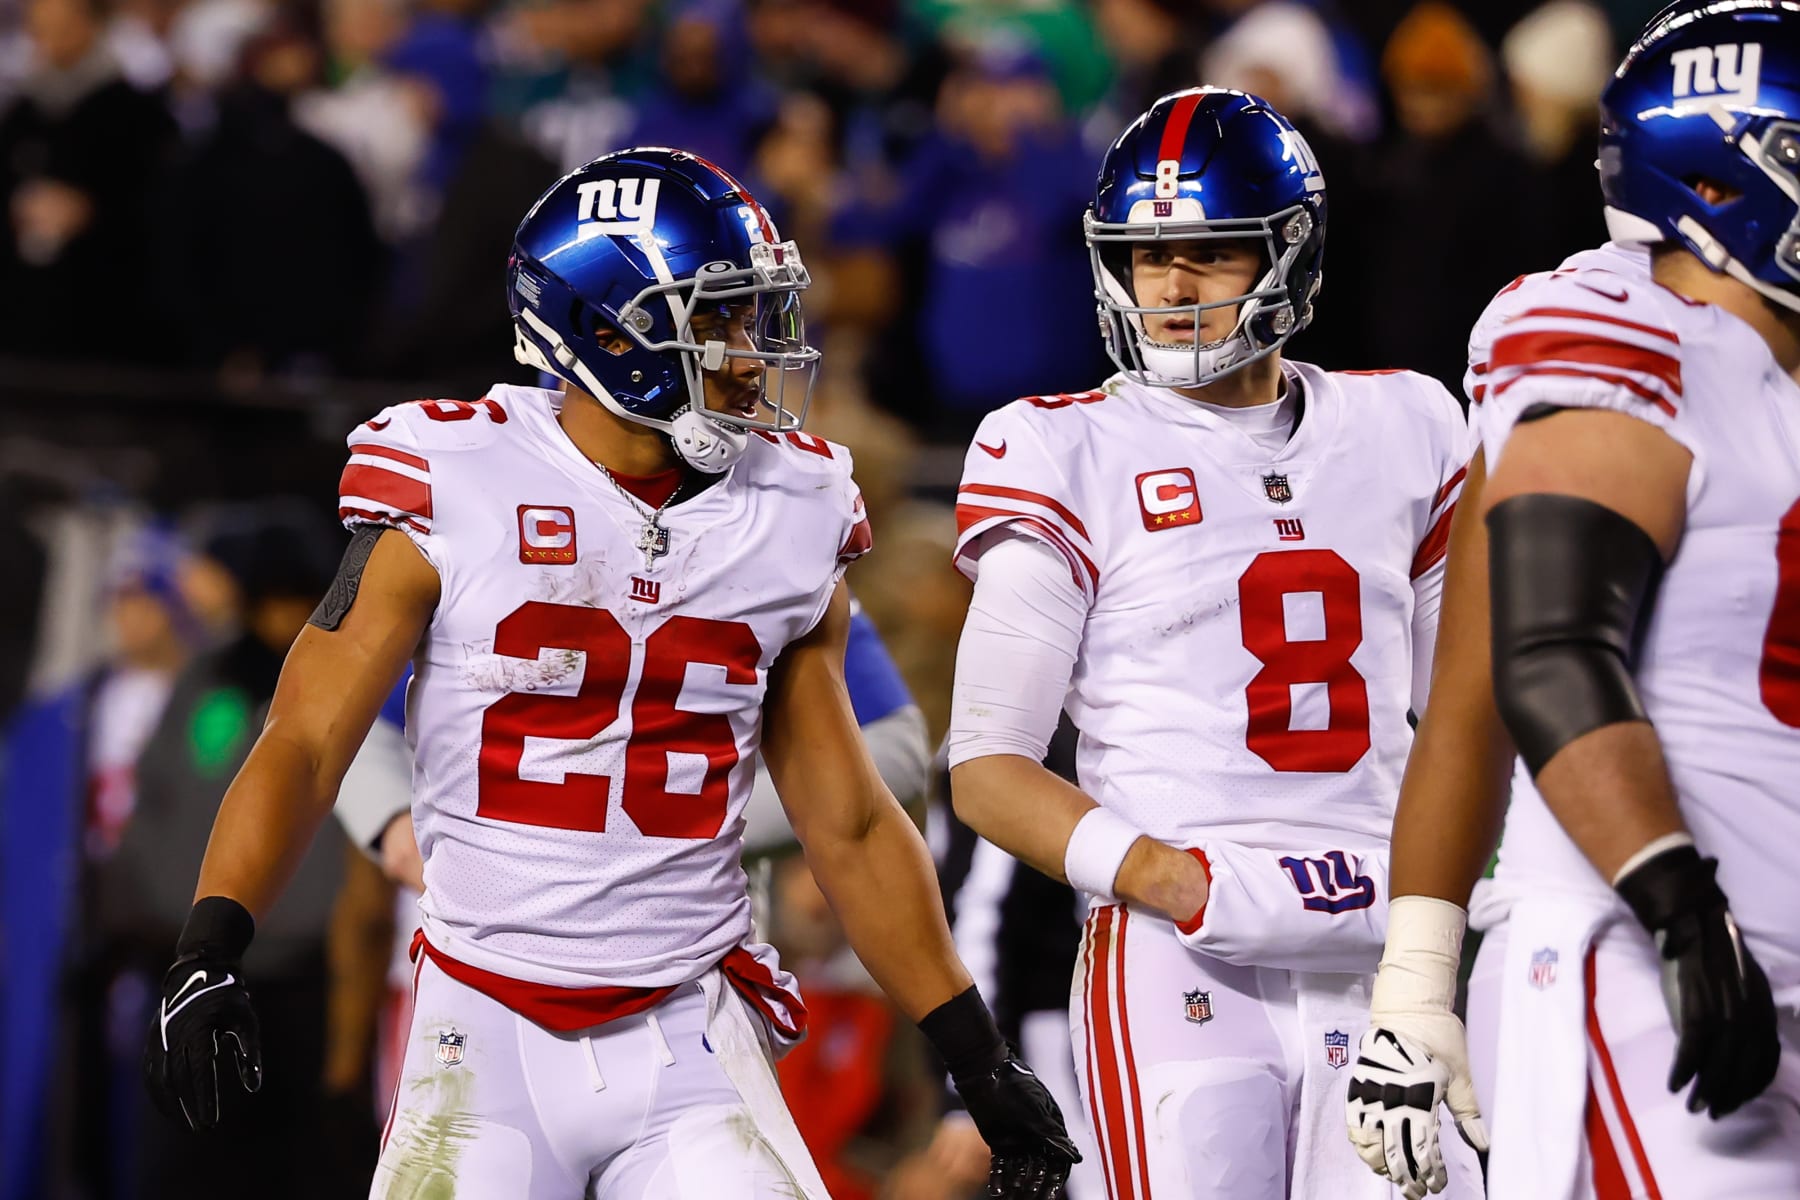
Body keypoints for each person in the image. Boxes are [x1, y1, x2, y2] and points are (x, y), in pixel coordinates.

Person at [141, 147, 1078, 1200]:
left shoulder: (793, 507)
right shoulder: (456, 477)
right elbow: (308, 739)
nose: (751, 349)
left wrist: (974, 1051)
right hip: (483, 1026)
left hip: (689, 1027)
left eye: (752, 314)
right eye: (718, 318)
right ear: (606, 331)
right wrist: (210, 942)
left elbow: (850, 819)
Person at [946, 87, 1481, 1199]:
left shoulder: (1409, 426)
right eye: (1149, 258)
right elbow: (989, 770)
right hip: (1176, 958)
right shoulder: (1064, 447)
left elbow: (1474, 714)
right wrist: (1171, 880)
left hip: (1380, 953)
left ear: (1288, 253)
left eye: (1209, 253)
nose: (1174, 287)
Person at [1345, 3, 1799, 1197]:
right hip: (1654, 973)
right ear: (1720, 174)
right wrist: (1418, 975)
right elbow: (1524, 666)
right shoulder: (1620, 331)